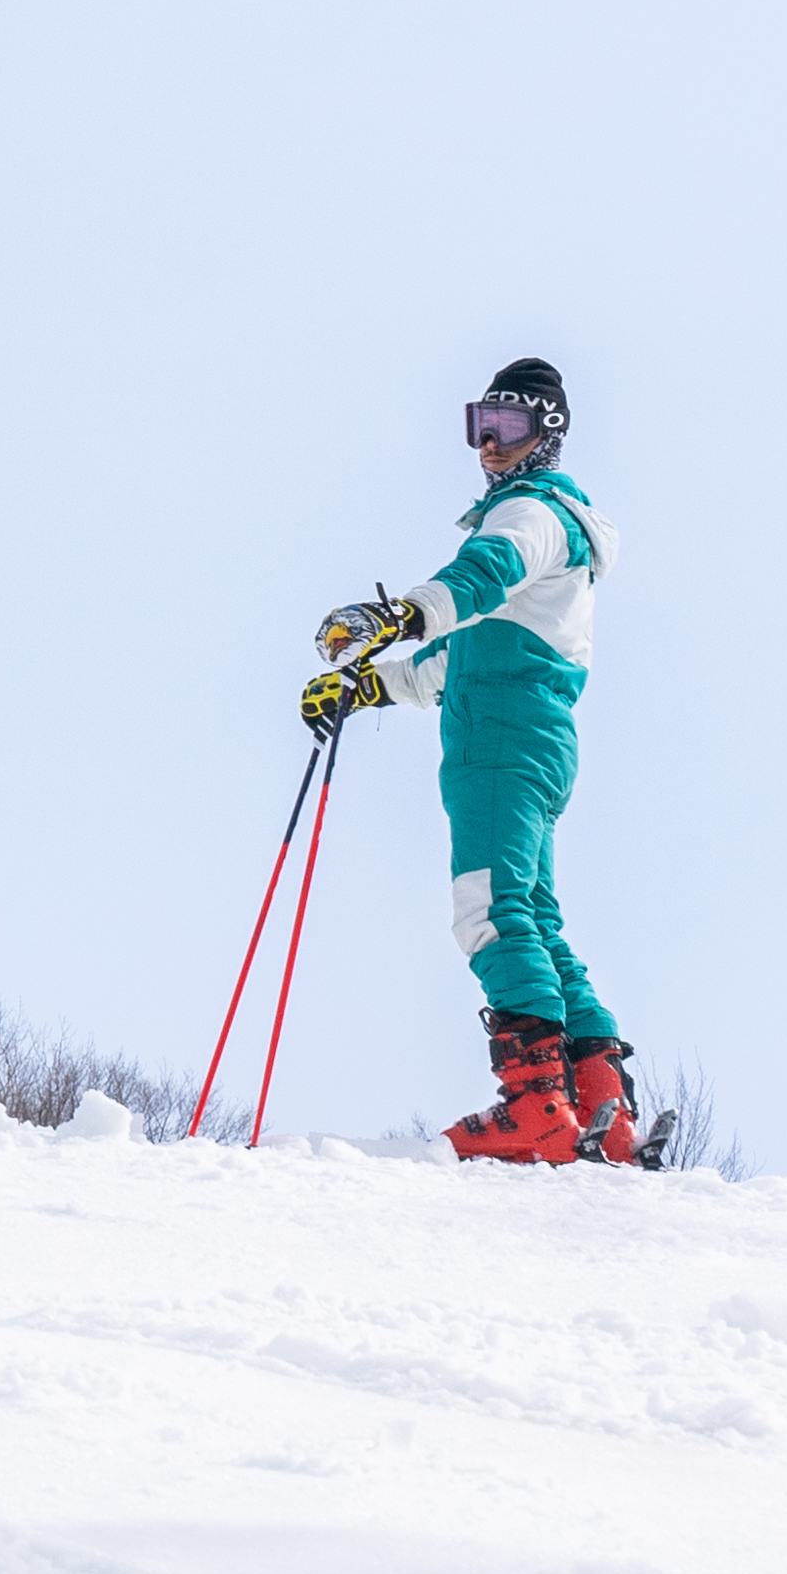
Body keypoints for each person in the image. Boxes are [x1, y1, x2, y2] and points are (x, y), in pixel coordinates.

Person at [301, 357, 642, 1165]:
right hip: (524, 727)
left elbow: (482, 575)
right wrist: (365, 690)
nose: (489, 444)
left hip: (498, 736)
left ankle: (535, 1107)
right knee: (531, 915)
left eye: (509, 425)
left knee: (485, 909)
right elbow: (454, 663)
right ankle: (600, 1106)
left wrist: (400, 615)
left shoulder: (529, 512)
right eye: (478, 424)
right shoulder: (554, 534)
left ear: (546, 432)